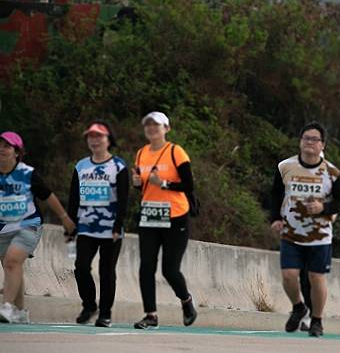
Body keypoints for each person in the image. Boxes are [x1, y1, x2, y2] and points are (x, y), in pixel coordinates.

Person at [270, 121, 340, 337]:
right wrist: (275, 217)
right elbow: (276, 194)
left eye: (315, 139)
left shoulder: (331, 172)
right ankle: (298, 307)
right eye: (306, 138)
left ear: (323, 145)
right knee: (289, 275)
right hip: (291, 232)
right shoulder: (285, 167)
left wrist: (323, 208)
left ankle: (317, 320)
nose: (310, 143)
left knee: (316, 277)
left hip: (319, 236)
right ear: (300, 141)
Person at [0, 131, 76, 323]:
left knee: (12, 261)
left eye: (7, 146)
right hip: (4, 228)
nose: (1, 149)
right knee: (12, 266)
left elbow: (48, 196)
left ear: (17, 152)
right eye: (0, 145)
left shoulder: (27, 174)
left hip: (28, 225)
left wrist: (64, 218)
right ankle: (20, 311)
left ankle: (6, 307)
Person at [131, 112, 197, 329]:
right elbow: (144, 185)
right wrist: (136, 183)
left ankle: (186, 301)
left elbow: (189, 185)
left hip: (175, 216)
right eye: (147, 125)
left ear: (166, 128)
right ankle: (151, 315)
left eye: (156, 125)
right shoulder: (141, 154)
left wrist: (165, 184)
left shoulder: (175, 152)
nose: (151, 129)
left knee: (170, 269)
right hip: (150, 215)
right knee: (146, 267)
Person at [67, 122, 129, 327]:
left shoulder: (118, 166)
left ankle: (105, 314)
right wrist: (70, 224)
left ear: (108, 140)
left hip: (110, 228)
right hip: (85, 227)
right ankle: (89, 305)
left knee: (106, 271)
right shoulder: (81, 166)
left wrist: (117, 225)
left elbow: (123, 199)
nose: (94, 140)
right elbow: (74, 197)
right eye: (90, 136)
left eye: (99, 136)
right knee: (81, 267)